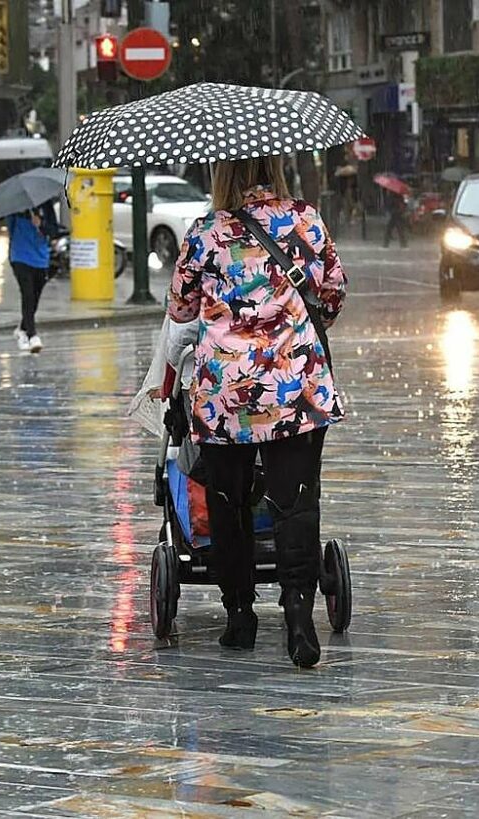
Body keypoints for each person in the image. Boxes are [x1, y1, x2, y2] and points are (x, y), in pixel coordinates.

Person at [166, 155, 347, 668]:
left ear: (222, 175)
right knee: (296, 503)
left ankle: (239, 615)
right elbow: (332, 292)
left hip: (226, 396)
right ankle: (297, 618)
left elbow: (180, 308)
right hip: (295, 392)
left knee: (228, 503)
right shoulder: (305, 219)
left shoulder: (204, 232)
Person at [6, 201, 57, 353]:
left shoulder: (46, 207)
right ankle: (31, 335)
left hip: (40, 258)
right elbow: (11, 229)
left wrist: (40, 224)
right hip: (20, 256)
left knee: (35, 296)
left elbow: (53, 230)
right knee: (27, 294)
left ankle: (22, 328)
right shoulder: (14, 208)